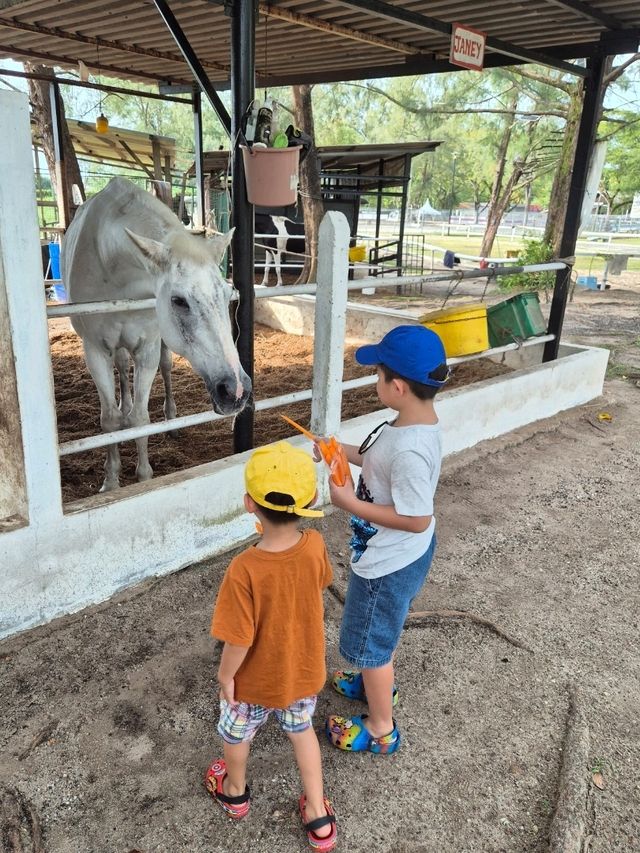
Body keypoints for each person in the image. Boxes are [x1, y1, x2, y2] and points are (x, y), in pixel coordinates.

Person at [323, 325, 449, 756]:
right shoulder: (405, 424)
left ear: (396, 386)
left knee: (374, 644)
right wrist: (340, 450)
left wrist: (348, 503)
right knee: (377, 635)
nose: (374, 381)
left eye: (376, 375)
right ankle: (371, 682)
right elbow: (376, 456)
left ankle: (380, 726)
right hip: (392, 555)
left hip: (388, 564)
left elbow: (416, 519)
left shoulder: (411, 448)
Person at [206, 441, 338, 852]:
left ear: (249, 504)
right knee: (302, 733)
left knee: (237, 732)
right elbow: (319, 583)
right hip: (301, 672)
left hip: (253, 682)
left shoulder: (244, 568)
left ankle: (235, 790)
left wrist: (226, 675)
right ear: (311, 500)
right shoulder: (314, 545)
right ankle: (318, 814)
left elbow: (239, 638)